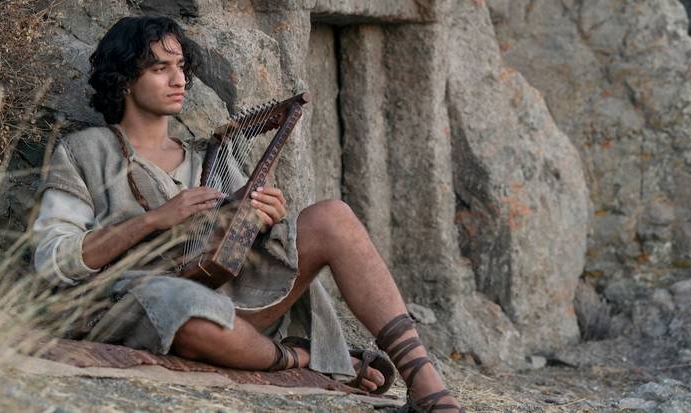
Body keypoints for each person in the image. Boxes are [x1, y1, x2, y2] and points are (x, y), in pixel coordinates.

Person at [32, 16, 463, 412]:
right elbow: (52, 260)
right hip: (152, 305)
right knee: (184, 309)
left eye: (181, 66)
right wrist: (153, 220)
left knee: (333, 216)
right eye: (160, 68)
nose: (179, 79)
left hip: (235, 300)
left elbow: (241, 243)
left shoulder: (210, 157)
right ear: (124, 78)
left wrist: (264, 219)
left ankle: (423, 380)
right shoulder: (84, 151)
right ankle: (306, 356)